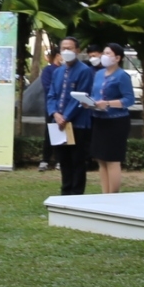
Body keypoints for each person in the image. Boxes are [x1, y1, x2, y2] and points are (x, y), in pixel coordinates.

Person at [44, 37, 95, 196]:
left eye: (70, 48)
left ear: (77, 50)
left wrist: (65, 116)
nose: (67, 52)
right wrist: (55, 114)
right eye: (63, 48)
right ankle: (65, 192)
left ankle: (76, 194)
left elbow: (81, 97)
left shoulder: (85, 71)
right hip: (58, 122)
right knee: (63, 160)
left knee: (77, 161)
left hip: (78, 123)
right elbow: (51, 95)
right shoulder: (58, 71)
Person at [87, 44, 135, 196]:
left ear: (117, 58)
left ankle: (113, 196)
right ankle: (104, 194)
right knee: (101, 159)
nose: (104, 56)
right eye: (104, 53)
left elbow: (129, 100)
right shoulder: (99, 74)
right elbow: (95, 94)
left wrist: (108, 103)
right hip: (99, 119)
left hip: (116, 121)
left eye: (108, 53)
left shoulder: (122, 76)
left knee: (112, 159)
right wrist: (89, 102)